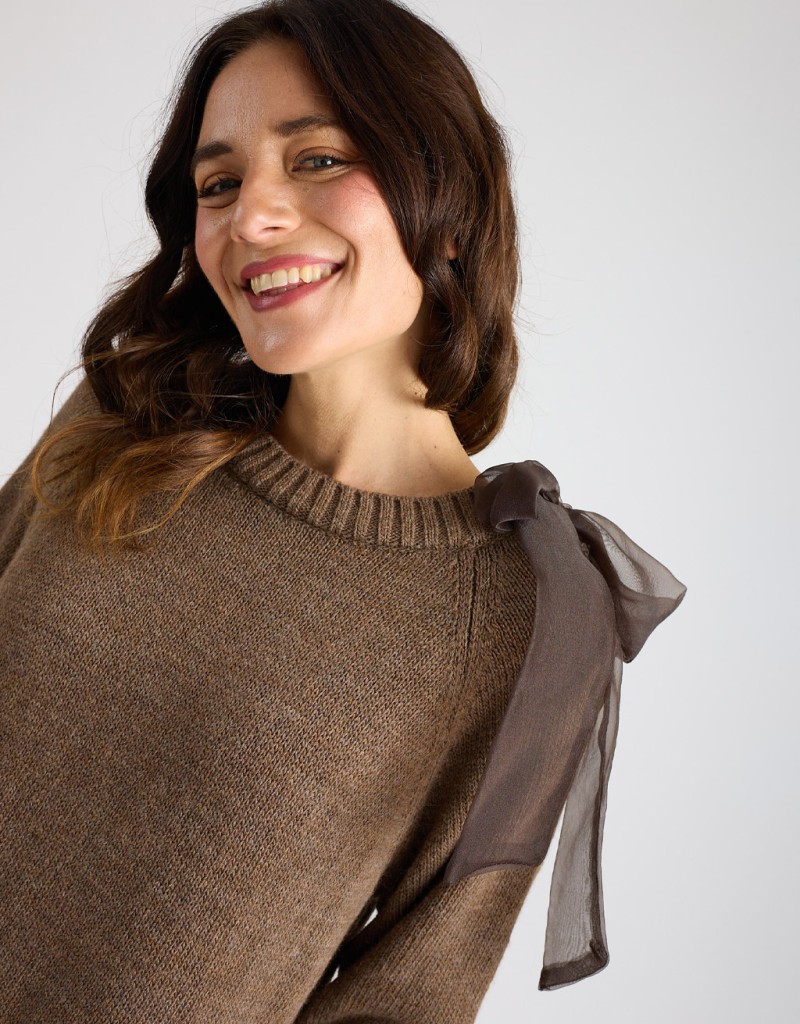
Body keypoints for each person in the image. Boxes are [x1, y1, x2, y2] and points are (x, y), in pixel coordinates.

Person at [0, 1, 685, 1021]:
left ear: (444, 200)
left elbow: (410, 994)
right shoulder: (126, 422)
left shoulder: (523, 617)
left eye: (316, 159)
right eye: (218, 184)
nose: (251, 217)